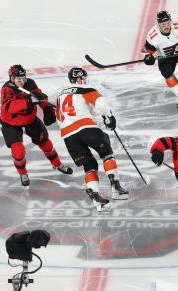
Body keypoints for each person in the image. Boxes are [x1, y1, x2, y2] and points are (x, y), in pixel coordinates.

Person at [55, 67, 128, 212]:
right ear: (80, 78)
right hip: (86, 128)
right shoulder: (85, 88)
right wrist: (109, 117)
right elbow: (100, 103)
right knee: (106, 153)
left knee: (89, 166)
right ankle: (116, 188)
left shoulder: (60, 96)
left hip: (68, 136)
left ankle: (97, 200)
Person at [0, 64, 73, 186]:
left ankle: (57, 164)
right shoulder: (6, 89)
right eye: (19, 80)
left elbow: (40, 96)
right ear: (12, 79)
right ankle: (23, 173)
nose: (22, 82)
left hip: (30, 119)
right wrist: (29, 101)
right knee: (18, 151)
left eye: (23, 78)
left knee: (45, 143)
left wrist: (47, 109)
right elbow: (9, 107)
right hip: (11, 122)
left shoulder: (30, 83)